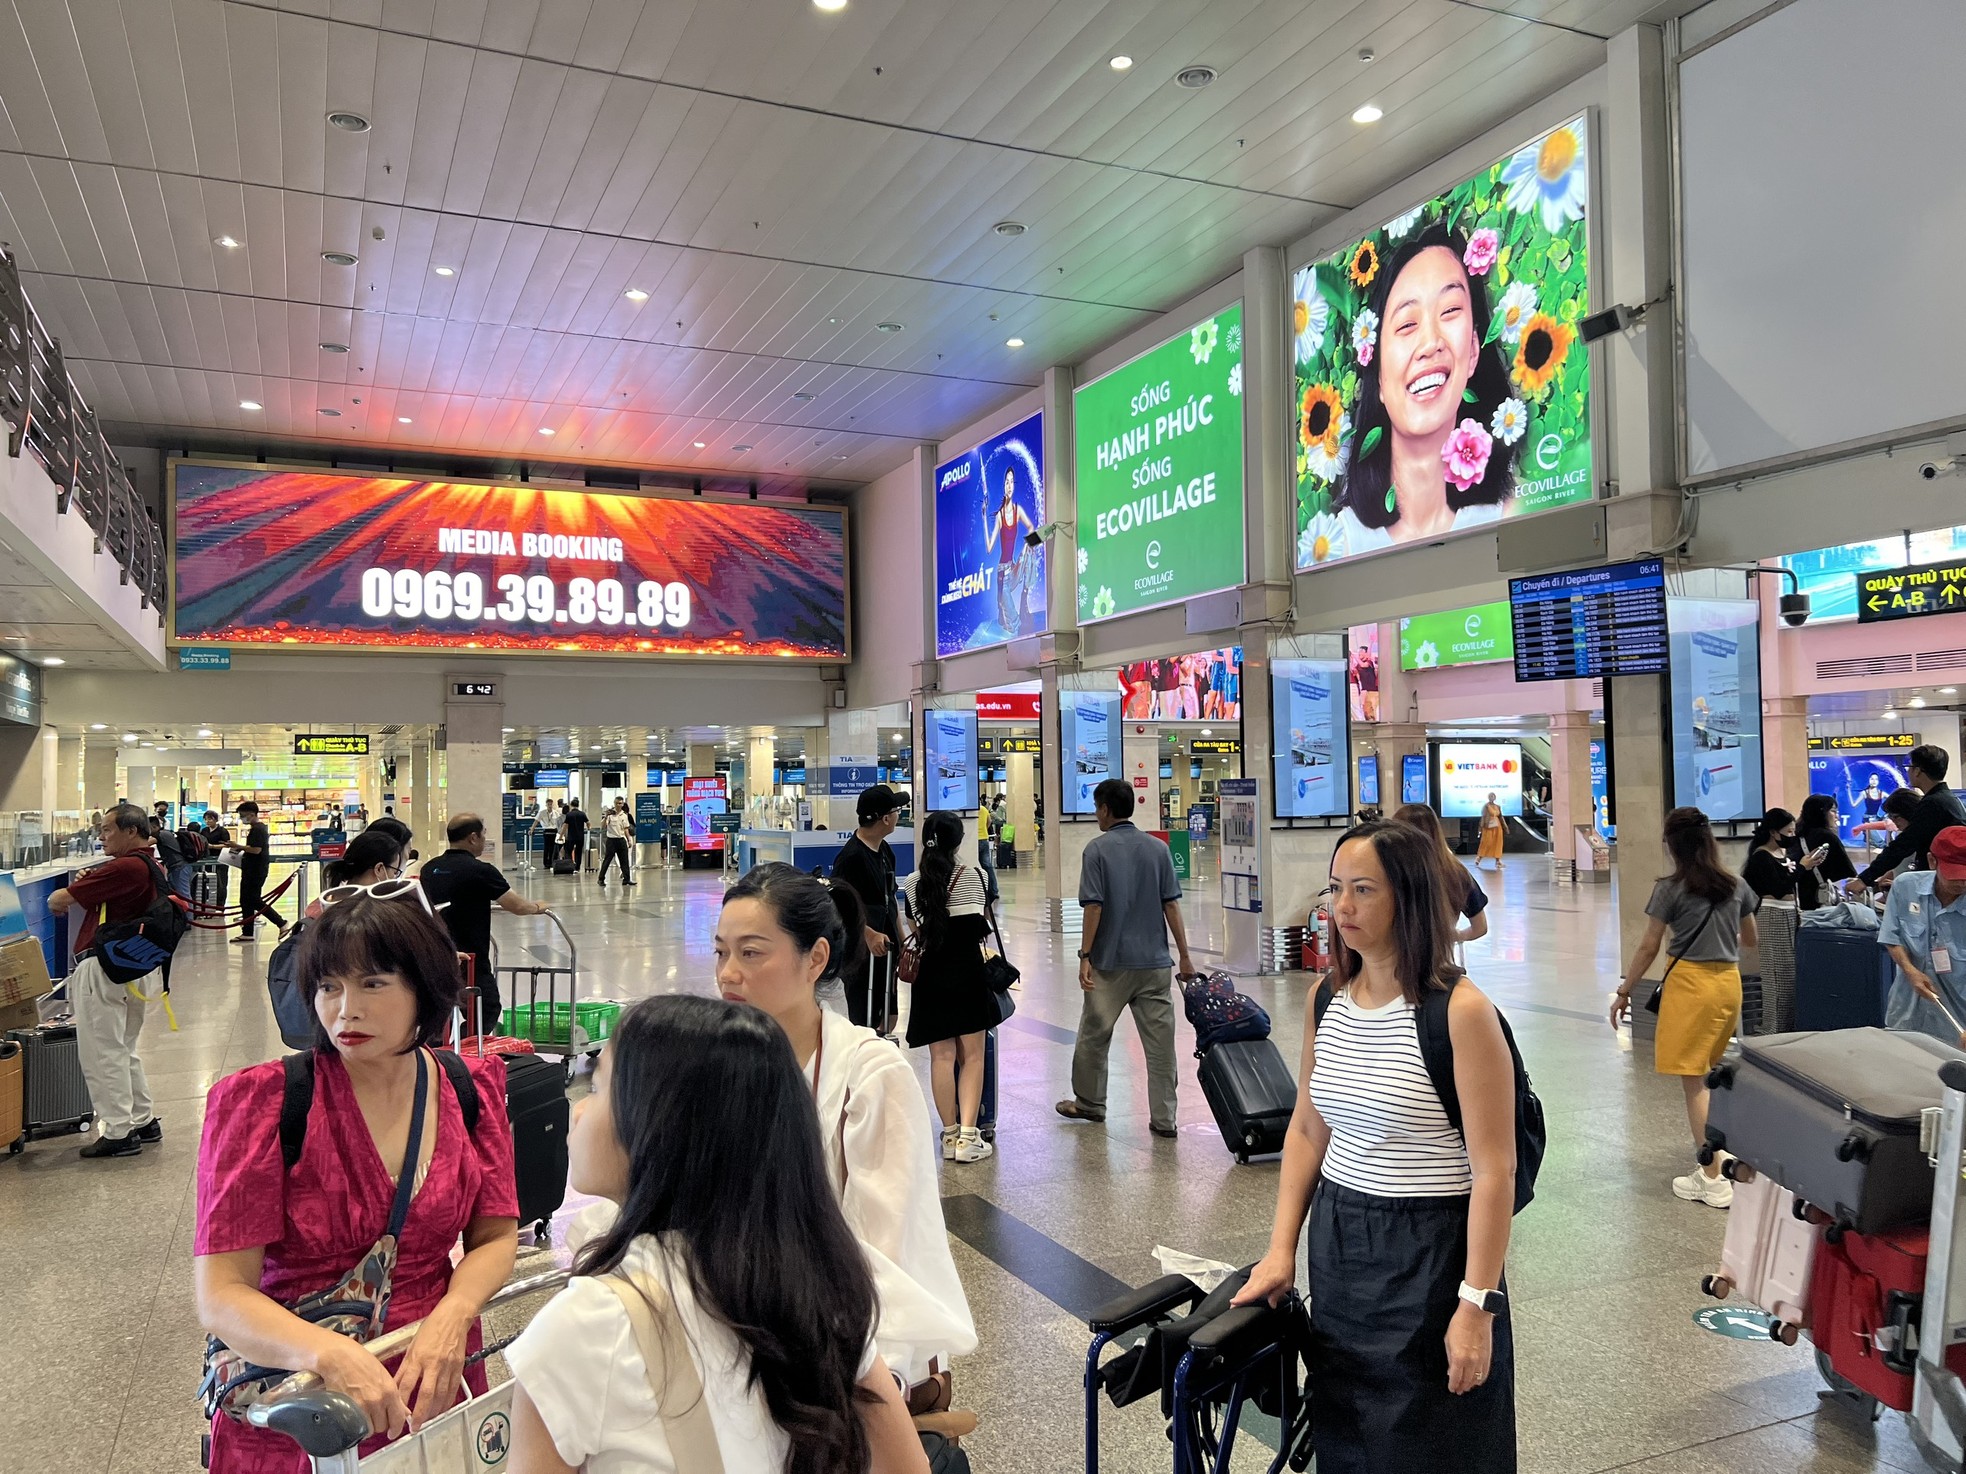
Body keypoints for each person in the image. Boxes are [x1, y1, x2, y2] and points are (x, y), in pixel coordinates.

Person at [505, 997, 929, 1474]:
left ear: (661, 1128)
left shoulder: (583, 1329)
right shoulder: (816, 1282)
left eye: (599, 1088)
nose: (578, 1110)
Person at [193, 892, 520, 1471]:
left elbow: (495, 1237)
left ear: (425, 988)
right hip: (301, 1390)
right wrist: (329, 1352)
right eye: (328, 987)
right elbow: (221, 1293)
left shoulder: (469, 1088)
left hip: (435, 1372)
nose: (346, 1009)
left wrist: (455, 1313)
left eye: (373, 983)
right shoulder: (265, 1102)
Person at [1235, 821, 1518, 1471]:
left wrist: (1476, 1305)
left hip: (1432, 1256)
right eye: (1337, 889)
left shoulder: (1461, 1012)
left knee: (1432, 1443)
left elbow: (1495, 1169)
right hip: (1342, 1245)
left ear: (1410, 897)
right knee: (1349, 1433)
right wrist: (1282, 1251)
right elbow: (1307, 1129)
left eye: (1363, 890)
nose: (1342, 908)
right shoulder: (1327, 997)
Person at [714, 863, 977, 1401]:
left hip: (845, 1351)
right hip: (743, 1338)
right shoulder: (718, 1069)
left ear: (815, 959)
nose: (728, 974)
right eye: (721, 952)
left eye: (751, 952)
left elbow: (884, 1252)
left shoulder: (870, 1076)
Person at [1333, 225, 1521, 551]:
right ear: (1377, 373)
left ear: (1474, 350)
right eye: (1407, 324)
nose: (1430, 343)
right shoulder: (1342, 541)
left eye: (1449, 311)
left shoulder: (1513, 515)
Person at [1611, 807, 1759, 1208]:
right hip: (1728, 985)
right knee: (1712, 1074)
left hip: (1690, 987)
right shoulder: (1737, 885)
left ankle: (1712, 1176)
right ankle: (1723, 1159)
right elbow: (1750, 940)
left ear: (1673, 845)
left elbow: (1649, 945)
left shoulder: (1670, 888)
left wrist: (1626, 989)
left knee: (1694, 1081)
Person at [1056, 778, 1196, 1138]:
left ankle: (1090, 1103)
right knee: (1161, 1046)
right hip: (1154, 964)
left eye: (1096, 807)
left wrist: (1085, 955)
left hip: (1110, 964)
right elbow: (1171, 904)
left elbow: (1094, 908)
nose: (1095, 814)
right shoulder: (1158, 849)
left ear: (1104, 809)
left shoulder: (1097, 850)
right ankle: (1165, 1119)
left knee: (1094, 1035)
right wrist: (1183, 954)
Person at [45, 805, 168, 1159]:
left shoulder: (124, 866)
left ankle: (117, 1131)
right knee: (124, 1048)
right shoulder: (149, 864)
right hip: (138, 965)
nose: (101, 837)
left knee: (101, 1052)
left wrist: (80, 887)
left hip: (104, 968)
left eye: (107, 830)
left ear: (131, 831)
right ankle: (142, 1120)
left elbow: (58, 898)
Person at [899, 812, 999, 1164]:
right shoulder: (978, 876)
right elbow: (984, 920)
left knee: (941, 1057)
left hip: (931, 977)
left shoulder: (912, 884)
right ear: (958, 842)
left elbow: (915, 926)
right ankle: (969, 1139)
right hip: (968, 973)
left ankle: (949, 1134)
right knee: (971, 1056)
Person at [419, 814, 551, 1036]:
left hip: (437, 954)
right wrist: (538, 907)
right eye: (483, 834)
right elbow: (516, 906)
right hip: (472, 959)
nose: (484, 839)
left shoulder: (429, 869)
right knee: (486, 1009)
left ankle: (437, 1055)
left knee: (439, 1012)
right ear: (473, 837)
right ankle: (463, 1053)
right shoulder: (481, 871)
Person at [1880, 827, 1966, 1048]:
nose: (1961, 884)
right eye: (1954, 876)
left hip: (1958, 1023)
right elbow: (1892, 935)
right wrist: (1910, 971)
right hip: (1907, 1012)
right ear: (1932, 861)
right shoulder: (1905, 886)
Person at [830, 785, 904, 1033]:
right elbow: (840, 907)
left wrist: (901, 938)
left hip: (887, 948)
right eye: (896, 810)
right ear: (885, 818)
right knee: (864, 1018)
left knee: (889, 1014)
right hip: (862, 954)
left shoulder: (884, 851)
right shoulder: (850, 858)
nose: (898, 815)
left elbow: (890, 899)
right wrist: (869, 934)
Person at [1857, 744, 1966, 891]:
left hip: (1943, 883)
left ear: (1918, 771)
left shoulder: (1932, 803)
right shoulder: (1948, 800)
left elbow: (1904, 844)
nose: (1908, 771)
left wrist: (1864, 879)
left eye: (1909, 767)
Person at [1393, 802, 1489, 944]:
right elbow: (1480, 927)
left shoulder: (1390, 872)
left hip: (1392, 958)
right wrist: (1453, 936)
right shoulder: (1456, 873)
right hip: (1440, 958)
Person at [981, 465, 1036, 639]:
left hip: (1014, 568)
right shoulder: (1000, 516)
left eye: (1012, 482)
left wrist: (1028, 544)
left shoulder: (1018, 510)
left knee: (1031, 547)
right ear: (1004, 486)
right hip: (1002, 577)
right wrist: (984, 519)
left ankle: (1024, 597)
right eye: (1007, 482)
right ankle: (1001, 607)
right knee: (1013, 625)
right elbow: (989, 548)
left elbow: (1030, 527)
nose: (1010, 485)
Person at [221, 801, 288, 944]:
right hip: (252, 868)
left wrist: (238, 846)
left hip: (255, 870)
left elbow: (256, 849)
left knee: (253, 899)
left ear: (252, 814)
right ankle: (247, 932)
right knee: (246, 900)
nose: (241, 818)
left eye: (243, 815)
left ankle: (281, 922)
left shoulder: (258, 829)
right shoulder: (257, 828)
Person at [1741, 807, 1824, 903]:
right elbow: (1778, 890)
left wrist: (1809, 864)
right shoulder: (1761, 856)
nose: (1793, 835)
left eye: (1794, 831)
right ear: (1773, 832)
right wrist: (1802, 867)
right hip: (1771, 912)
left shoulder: (1786, 852)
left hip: (1791, 908)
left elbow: (1794, 880)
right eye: (1789, 832)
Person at [1796, 794, 1858, 910]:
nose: (1837, 817)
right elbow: (1847, 871)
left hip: (1796, 899)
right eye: (1833, 811)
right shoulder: (1828, 837)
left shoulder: (1796, 834)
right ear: (1822, 812)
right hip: (1818, 900)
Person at [201, 807, 234, 914]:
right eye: (206, 819)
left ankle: (220, 906)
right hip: (208, 860)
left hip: (221, 860)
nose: (207, 821)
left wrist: (213, 846)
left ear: (216, 819)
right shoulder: (204, 831)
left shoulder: (223, 831)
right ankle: (208, 904)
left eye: (210, 819)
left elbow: (226, 845)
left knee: (221, 883)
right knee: (207, 881)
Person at [598, 798, 635, 888]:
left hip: (621, 840)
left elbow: (626, 829)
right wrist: (606, 816)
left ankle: (626, 879)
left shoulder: (624, 815)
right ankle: (601, 879)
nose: (619, 805)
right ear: (614, 803)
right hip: (611, 840)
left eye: (621, 803)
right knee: (607, 860)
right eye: (618, 803)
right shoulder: (610, 815)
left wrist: (629, 839)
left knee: (624, 860)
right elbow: (602, 826)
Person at [1476, 793, 1505, 870]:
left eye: (1493, 796)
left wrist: (1505, 826)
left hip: (1497, 827)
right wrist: (1480, 828)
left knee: (1497, 843)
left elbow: (1501, 817)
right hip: (1488, 827)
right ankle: (1479, 858)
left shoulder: (1498, 806)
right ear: (1488, 797)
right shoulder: (1486, 806)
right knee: (1486, 842)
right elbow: (1483, 817)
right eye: (1490, 796)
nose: (1492, 797)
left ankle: (1498, 861)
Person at [562, 800, 590, 875]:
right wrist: (589, 829)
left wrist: (561, 835)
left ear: (571, 805)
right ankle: (577, 867)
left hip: (571, 836)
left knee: (568, 851)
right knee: (579, 852)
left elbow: (565, 826)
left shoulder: (569, 814)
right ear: (578, 805)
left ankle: (570, 866)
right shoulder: (582, 814)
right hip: (580, 836)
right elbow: (588, 823)